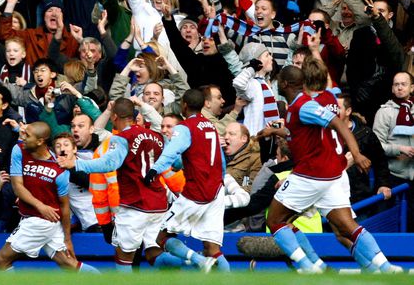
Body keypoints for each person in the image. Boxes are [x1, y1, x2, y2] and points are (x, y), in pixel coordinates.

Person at [258, 64, 402, 273]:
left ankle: (310, 266)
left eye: (278, 79)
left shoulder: (304, 106)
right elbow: (295, 132)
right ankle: (386, 267)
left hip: (310, 174)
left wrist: (357, 153)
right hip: (331, 175)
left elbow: (338, 123)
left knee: (275, 220)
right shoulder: (310, 103)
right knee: (346, 228)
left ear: (284, 83)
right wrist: (273, 132)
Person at [58, 98, 182, 271]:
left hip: (133, 207)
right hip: (158, 205)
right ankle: (189, 263)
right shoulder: (156, 135)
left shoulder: (121, 139)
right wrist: (143, 105)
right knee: (153, 251)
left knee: (123, 255)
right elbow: (174, 163)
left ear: (114, 117)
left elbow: (109, 164)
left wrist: (76, 165)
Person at [0, 121, 98, 273]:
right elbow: (17, 187)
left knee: (1, 260)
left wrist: (67, 239)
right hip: (41, 216)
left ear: (40, 141)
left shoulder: (59, 170)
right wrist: (40, 206)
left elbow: (64, 205)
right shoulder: (19, 149)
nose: (23, 137)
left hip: (40, 222)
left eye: (27, 135)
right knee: (68, 264)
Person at [146, 89, 229, 272]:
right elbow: (220, 161)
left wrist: (154, 169)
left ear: (184, 104)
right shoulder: (210, 126)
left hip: (196, 191)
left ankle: (199, 262)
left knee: (161, 236)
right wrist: (220, 179)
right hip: (216, 191)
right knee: (213, 248)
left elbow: (171, 151)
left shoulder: (184, 127)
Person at [372, 71, 414, 231]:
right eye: (396, 84)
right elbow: (376, 146)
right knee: (393, 222)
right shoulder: (384, 112)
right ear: (392, 88)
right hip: (394, 176)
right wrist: (399, 149)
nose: (400, 88)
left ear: (412, 87)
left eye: (403, 84)